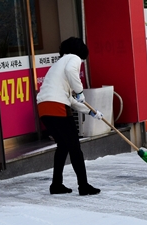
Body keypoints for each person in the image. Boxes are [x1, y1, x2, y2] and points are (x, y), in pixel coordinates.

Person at [37, 37, 103, 196]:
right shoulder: (73, 58)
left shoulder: (57, 63)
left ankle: (56, 185)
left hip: (44, 107)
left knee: (63, 146)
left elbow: (69, 98)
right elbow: (71, 75)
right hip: (56, 107)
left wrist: (91, 111)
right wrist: (80, 91)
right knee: (74, 147)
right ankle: (83, 186)